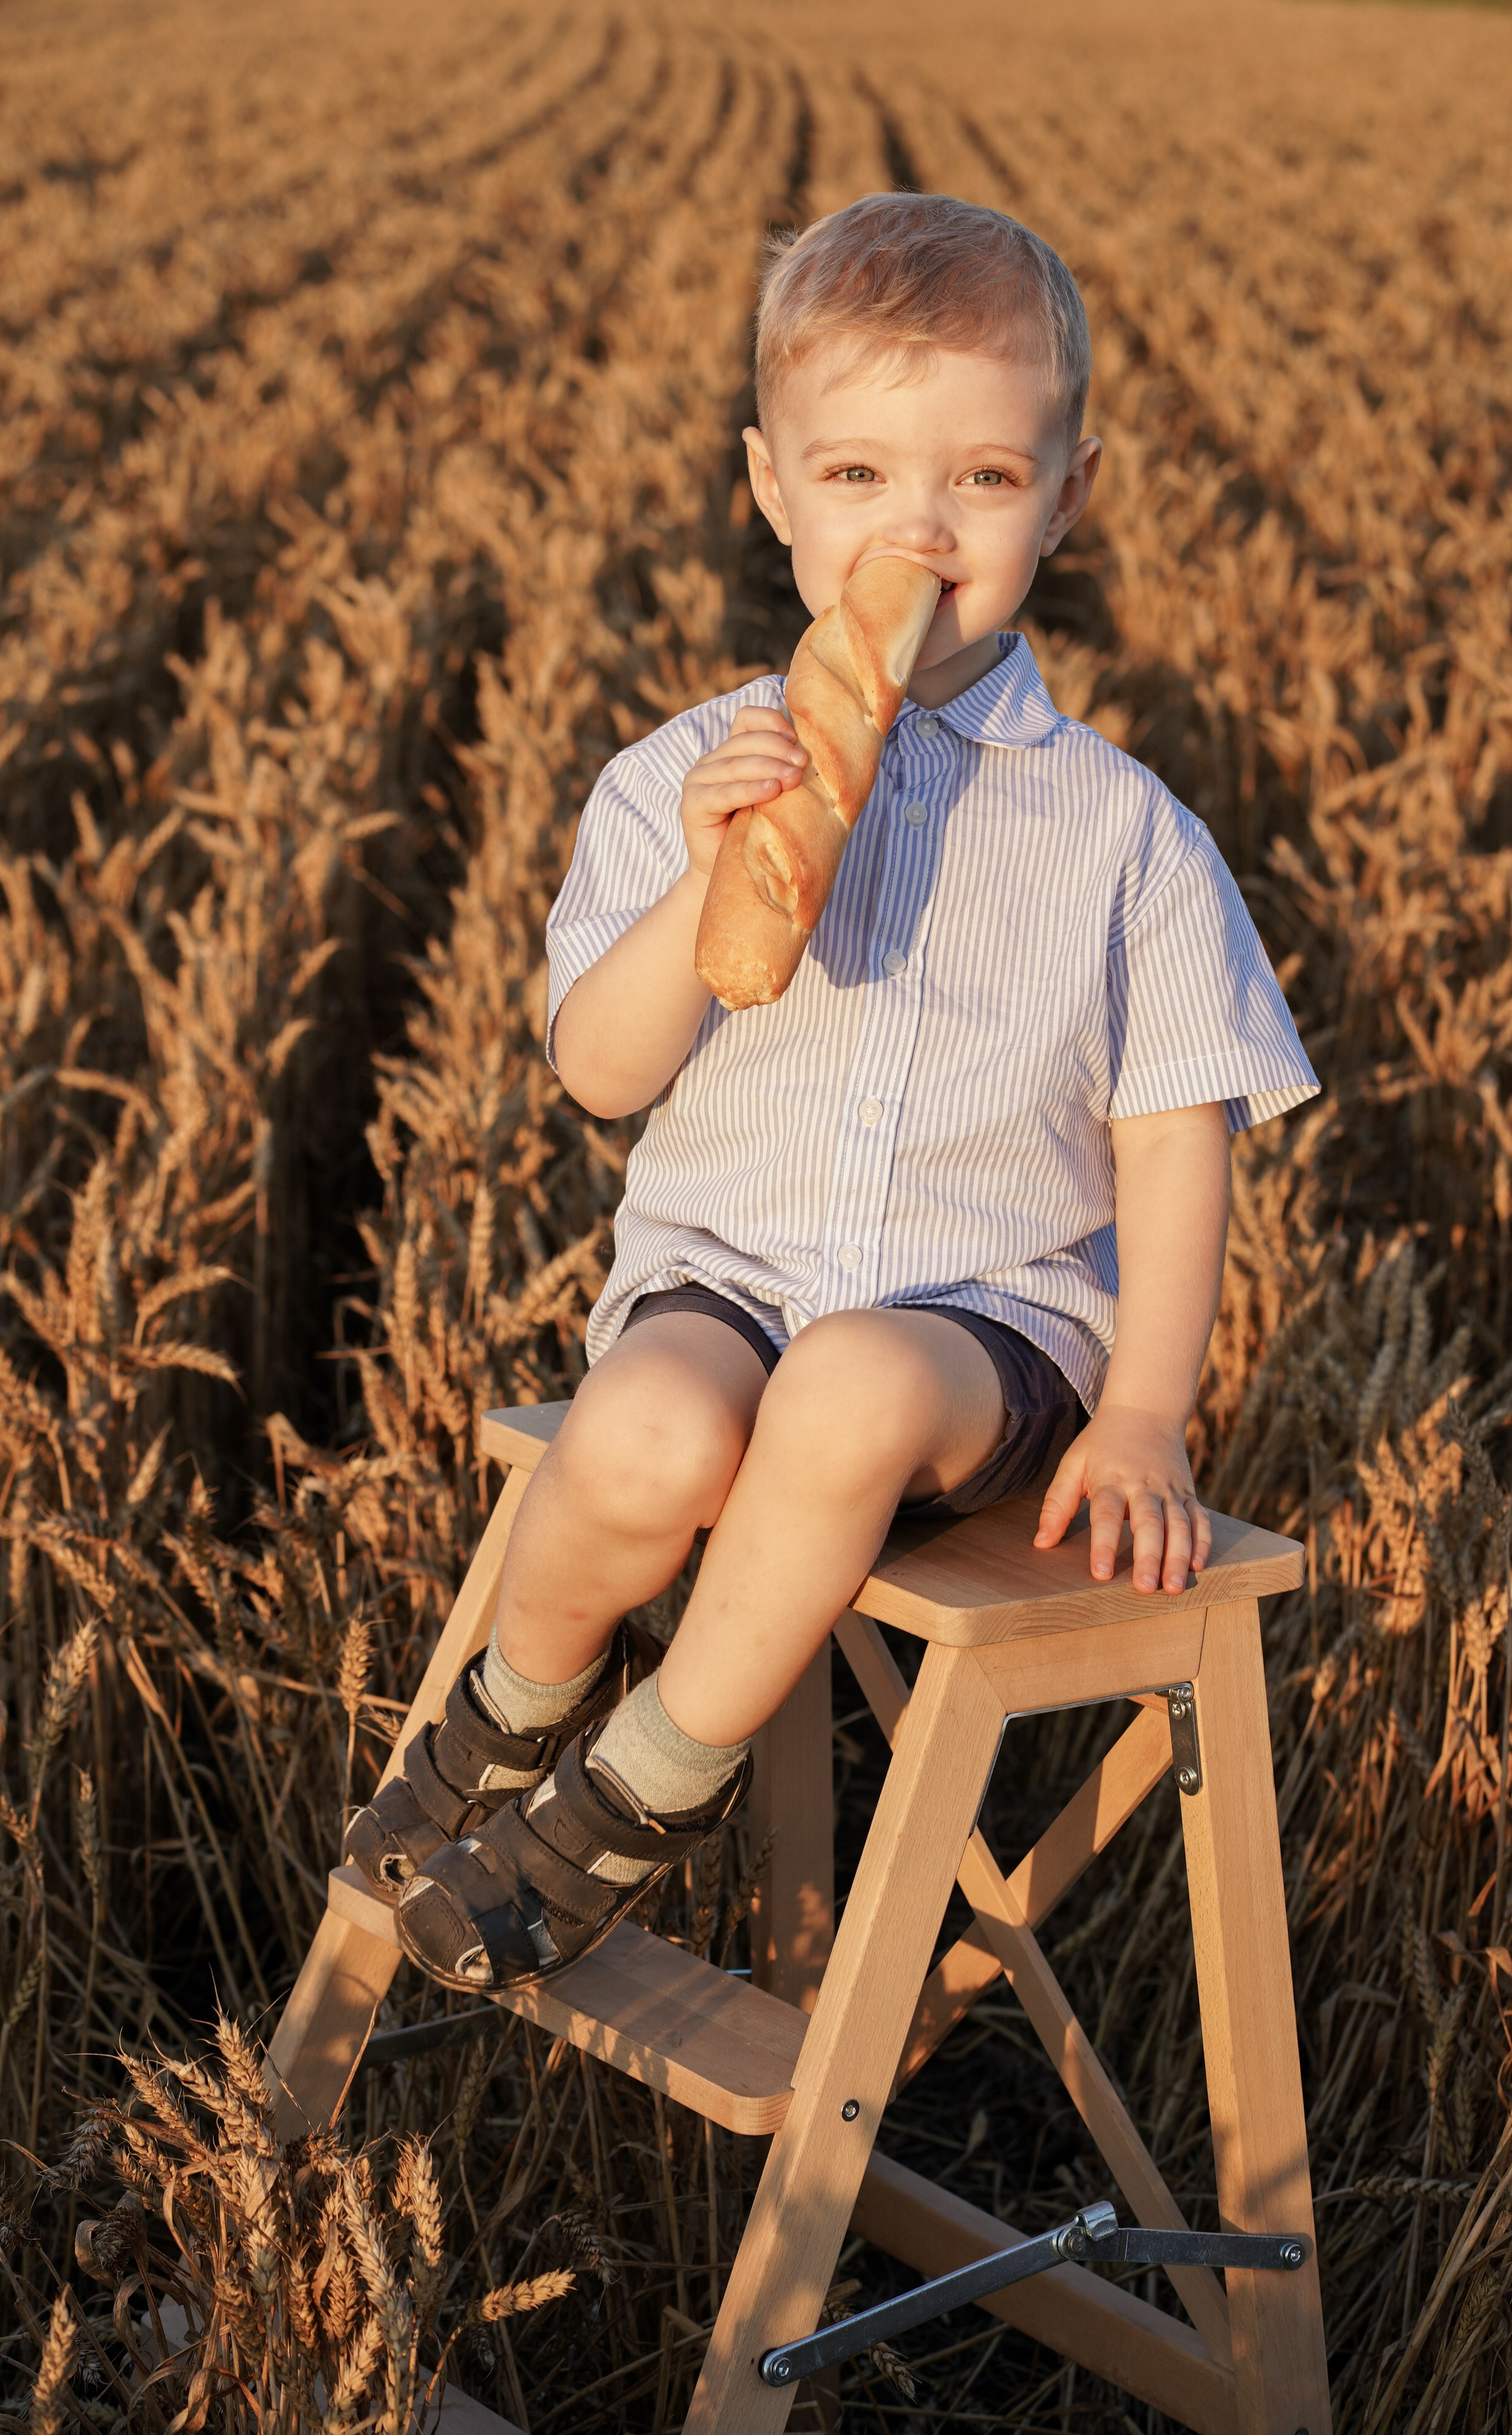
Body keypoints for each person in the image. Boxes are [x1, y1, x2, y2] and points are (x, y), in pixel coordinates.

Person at [346, 193, 1319, 1992]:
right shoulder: (678, 778)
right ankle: (511, 1708)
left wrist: (1149, 1416)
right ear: (772, 490)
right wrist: (701, 883)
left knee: (852, 1381)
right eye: (860, 477)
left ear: (1070, 497)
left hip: (976, 1341)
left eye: (988, 484)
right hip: (726, 1281)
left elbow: (1177, 1136)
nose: (922, 532)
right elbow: (600, 1069)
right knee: (640, 1436)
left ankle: (644, 1789)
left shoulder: (1125, 834)